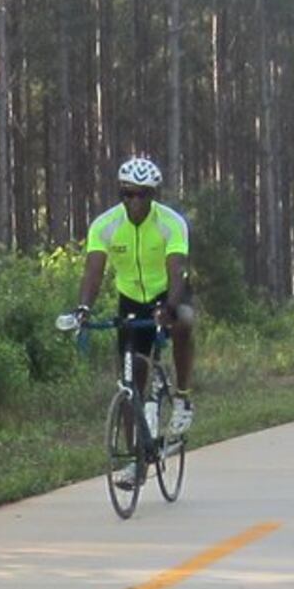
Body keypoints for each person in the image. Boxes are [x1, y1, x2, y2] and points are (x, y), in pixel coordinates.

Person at [79, 157, 196, 434]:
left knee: (185, 322)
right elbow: (93, 271)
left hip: (168, 292)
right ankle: (134, 461)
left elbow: (177, 269)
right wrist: (83, 308)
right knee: (131, 384)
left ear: (152, 195)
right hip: (130, 299)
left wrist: (170, 307)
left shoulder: (170, 223)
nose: (134, 200)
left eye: (142, 194)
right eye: (127, 193)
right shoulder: (105, 225)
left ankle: (182, 396)